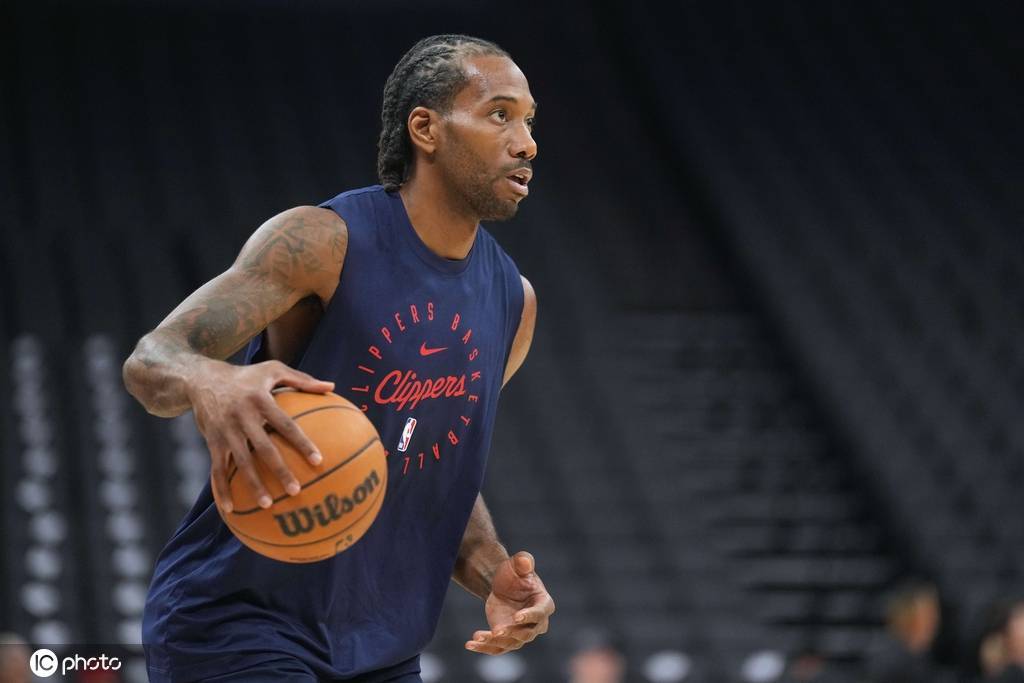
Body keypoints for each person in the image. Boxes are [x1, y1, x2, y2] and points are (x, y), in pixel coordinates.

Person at [123, 34, 554, 682]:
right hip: (239, 623)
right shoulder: (323, 243)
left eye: (529, 121)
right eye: (500, 114)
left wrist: (494, 569)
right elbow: (151, 361)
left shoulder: (512, 302)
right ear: (425, 129)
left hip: (380, 646)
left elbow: (427, 464)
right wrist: (210, 378)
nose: (526, 143)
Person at [864, 580, 944, 682]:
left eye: (934, 614)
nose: (934, 620)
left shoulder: (929, 658)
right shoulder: (888, 664)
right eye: (926, 616)